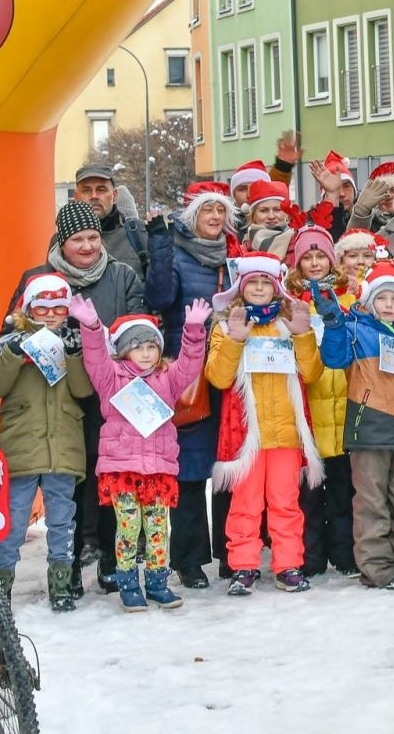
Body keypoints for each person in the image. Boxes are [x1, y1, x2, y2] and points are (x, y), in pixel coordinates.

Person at [3, 199, 147, 596]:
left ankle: (110, 561)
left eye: (93, 237)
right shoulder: (37, 277)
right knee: (68, 485)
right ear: (61, 241)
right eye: (77, 239)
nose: (87, 246)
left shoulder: (122, 276)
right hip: (56, 400)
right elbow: (9, 332)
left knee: (109, 478)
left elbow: (139, 328)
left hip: (110, 397)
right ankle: (71, 564)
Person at [69, 296, 209, 612]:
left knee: (159, 528)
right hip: (123, 469)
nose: (146, 353)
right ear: (124, 350)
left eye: (151, 347)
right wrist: (91, 326)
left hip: (159, 469)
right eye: (138, 347)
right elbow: (94, 357)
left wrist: (195, 331)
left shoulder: (168, 378)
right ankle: (128, 582)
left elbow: (190, 364)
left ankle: (158, 582)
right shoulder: (111, 378)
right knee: (129, 528)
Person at [315, 259, 394, 589]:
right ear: (370, 300)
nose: (388, 305)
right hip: (369, 429)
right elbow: (334, 357)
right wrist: (332, 321)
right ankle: (378, 569)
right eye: (382, 298)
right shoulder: (357, 329)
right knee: (372, 502)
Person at [208, 252, 325, 596]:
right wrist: (235, 340)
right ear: (241, 289)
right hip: (247, 435)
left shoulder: (290, 325)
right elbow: (217, 377)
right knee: (244, 506)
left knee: (286, 504)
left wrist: (303, 337)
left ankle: (288, 565)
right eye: (252, 283)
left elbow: (312, 373)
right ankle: (243, 567)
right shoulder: (227, 327)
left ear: (276, 289)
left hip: (286, 433)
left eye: (265, 283)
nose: (259, 288)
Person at [145, 181, 239, 590]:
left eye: (221, 211)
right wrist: (160, 246)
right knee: (189, 470)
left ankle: (233, 553)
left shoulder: (235, 260)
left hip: (232, 371)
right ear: (193, 217)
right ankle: (189, 558)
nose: (215, 218)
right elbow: (160, 297)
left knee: (230, 465)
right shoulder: (179, 258)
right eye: (207, 211)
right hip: (189, 374)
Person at [0, 273, 94, 612]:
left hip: (63, 444)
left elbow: (83, 390)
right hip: (22, 444)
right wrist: (14, 354)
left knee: (62, 519)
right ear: (28, 307)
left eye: (58, 307)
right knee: (15, 519)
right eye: (42, 307)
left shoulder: (73, 341)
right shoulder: (10, 342)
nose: (50, 314)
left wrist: (75, 355)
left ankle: (61, 583)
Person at [285, 225, 360, 577]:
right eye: (308, 257)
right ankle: (311, 556)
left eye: (320, 256)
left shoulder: (348, 300)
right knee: (309, 497)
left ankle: (345, 553)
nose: (315, 263)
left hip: (344, 407)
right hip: (308, 414)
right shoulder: (289, 303)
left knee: (344, 491)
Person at [70, 162, 148, 276]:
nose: (94, 196)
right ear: (76, 196)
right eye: (86, 190)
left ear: (114, 195)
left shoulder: (138, 234)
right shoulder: (62, 241)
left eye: (101, 189)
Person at [350, 161, 394, 234]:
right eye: (382, 192)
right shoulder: (367, 223)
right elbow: (353, 240)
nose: (388, 196)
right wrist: (362, 211)